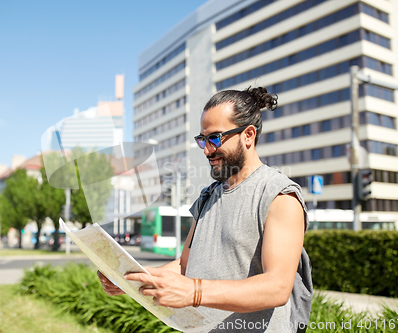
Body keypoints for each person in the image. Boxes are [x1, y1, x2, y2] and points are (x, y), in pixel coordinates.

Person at [98, 87, 312, 332]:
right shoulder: (207, 196)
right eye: (203, 139)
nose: (207, 150)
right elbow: (186, 265)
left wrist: (195, 292)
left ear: (248, 135)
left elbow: (277, 287)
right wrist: (131, 278)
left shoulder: (279, 195)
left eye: (215, 138)